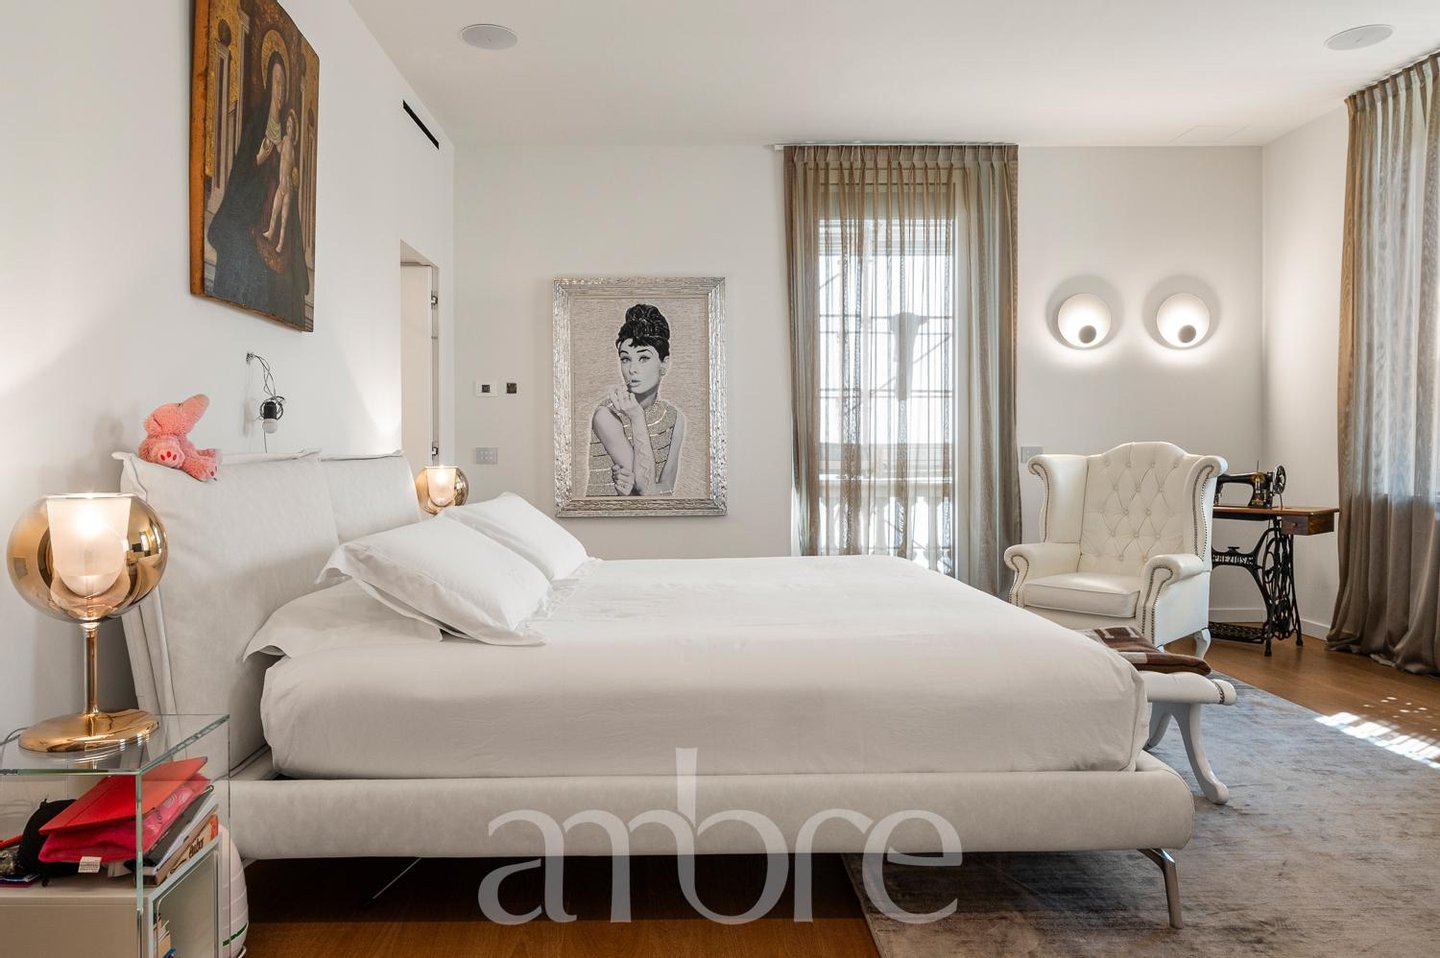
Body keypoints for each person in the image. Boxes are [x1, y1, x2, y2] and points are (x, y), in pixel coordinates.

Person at [588, 304, 687, 496]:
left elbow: (666, 488)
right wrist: (636, 416)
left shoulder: (675, 418)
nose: (632, 369)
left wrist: (642, 489)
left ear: (664, 364)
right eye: (625, 359)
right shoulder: (606, 415)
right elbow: (646, 488)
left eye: (643, 358)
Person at [260, 110, 299, 253]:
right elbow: (278, 148)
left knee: (283, 218)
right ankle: (270, 233)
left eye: (290, 126)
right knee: (275, 211)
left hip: (287, 188)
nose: (288, 127)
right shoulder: (285, 140)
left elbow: (293, 168)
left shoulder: (292, 148)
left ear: (294, 130)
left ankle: (280, 244)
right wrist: (274, 133)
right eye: (287, 124)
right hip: (281, 186)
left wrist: (295, 174)